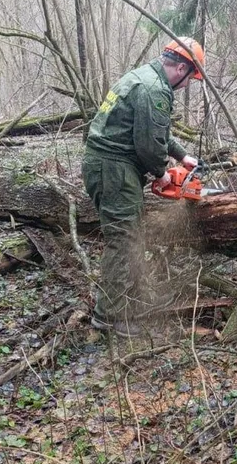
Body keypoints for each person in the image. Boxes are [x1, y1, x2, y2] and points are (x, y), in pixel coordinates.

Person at [82, 37, 205, 344]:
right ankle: (110, 316)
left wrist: (181, 156)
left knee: (130, 236)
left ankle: (129, 301)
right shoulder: (154, 90)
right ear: (180, 68)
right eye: (191, 78)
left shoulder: (143, 77)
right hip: (114, 169)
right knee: (123, 241)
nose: (188, 85)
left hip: (108, 165)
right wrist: (163, 174)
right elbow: (148, 145)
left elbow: (153, 129)